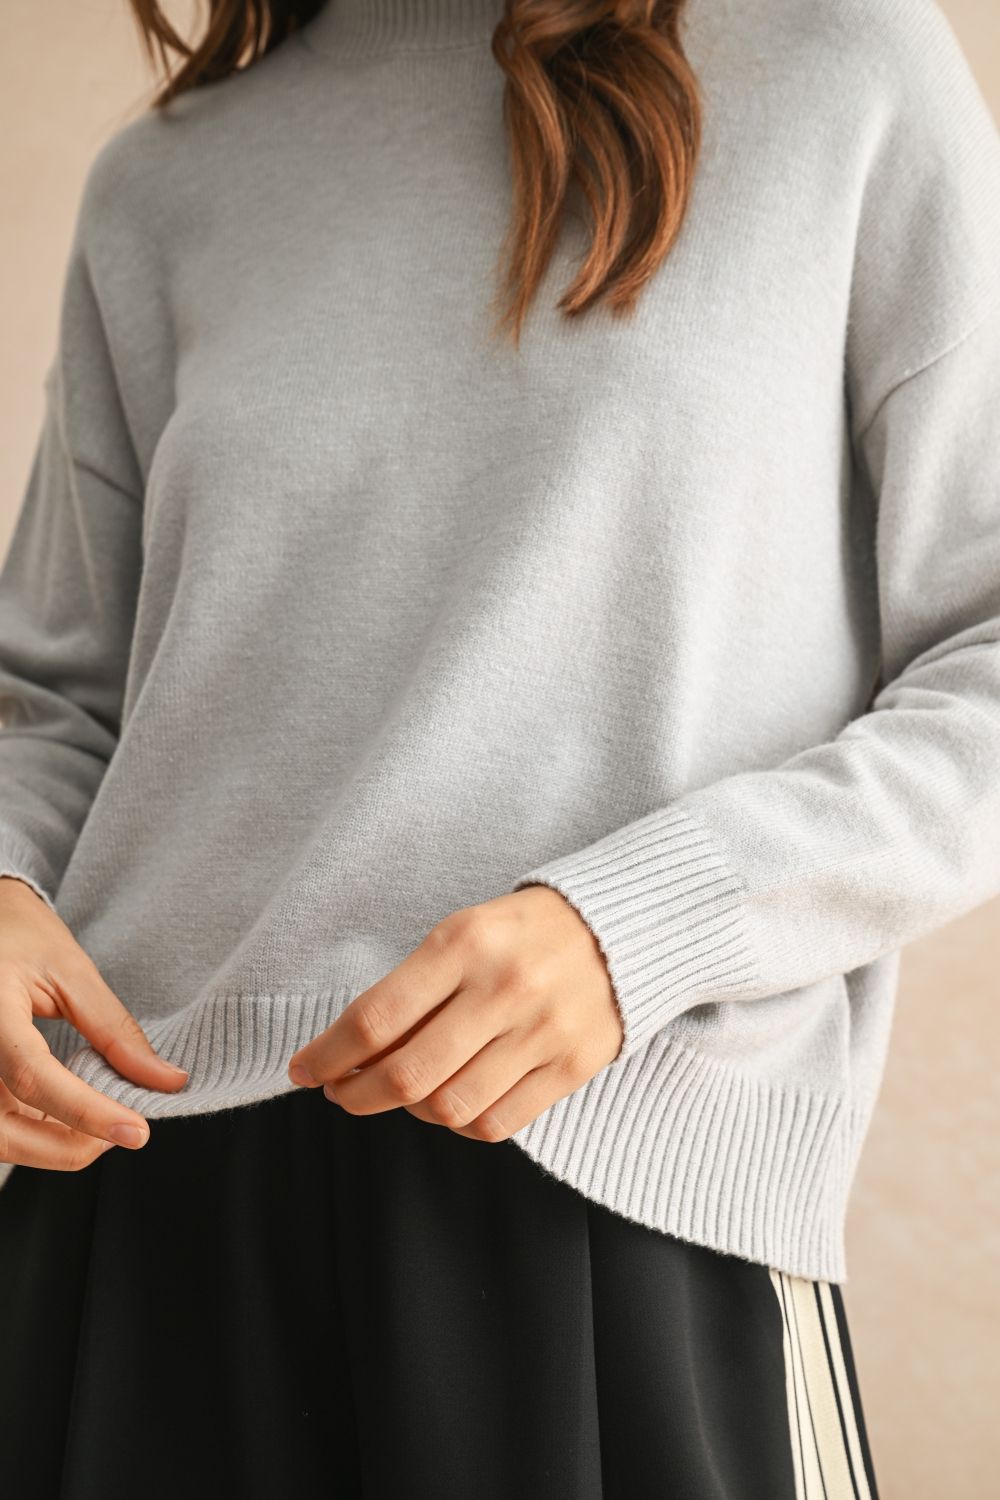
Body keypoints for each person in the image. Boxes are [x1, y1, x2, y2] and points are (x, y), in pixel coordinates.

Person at [1, 0, 998, 1493]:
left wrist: (632, 933)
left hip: (612, 1199)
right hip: (143, 1212)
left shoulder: (839, 62)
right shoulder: (173, 175)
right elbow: (58, 696)